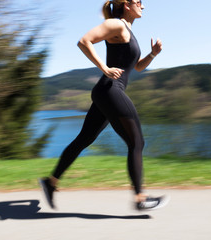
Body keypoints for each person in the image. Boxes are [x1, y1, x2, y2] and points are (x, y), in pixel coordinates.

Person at [39, 0, 169, 211]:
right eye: (139, 2)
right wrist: (105, 67)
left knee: (84, 139)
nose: (143, 6)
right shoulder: (116, 24)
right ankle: (140, 198)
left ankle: (50, 182)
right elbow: (84, 41)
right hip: (110, 90)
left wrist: (153, 54)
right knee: (137, 142)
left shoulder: (127, 30)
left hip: (107, 92)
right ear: (127, 5)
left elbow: (135, 67)